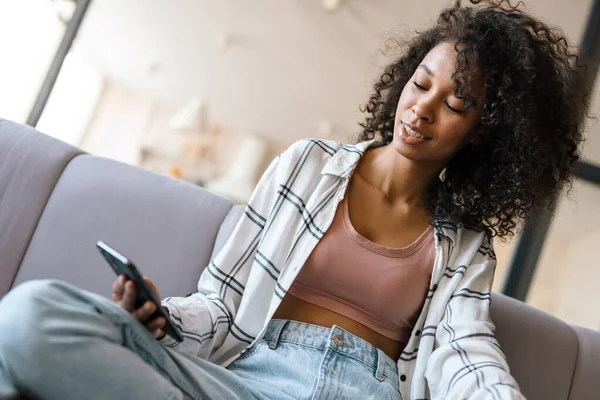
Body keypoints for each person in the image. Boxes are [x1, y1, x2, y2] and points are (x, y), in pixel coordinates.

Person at [0, 0, 588, 399]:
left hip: (367, 389)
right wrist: (163, 319)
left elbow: (465, 352)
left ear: (485, 132)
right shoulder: (308, 164)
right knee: (33, 316)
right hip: (243, 380)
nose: (423, 109)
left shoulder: (465, 246)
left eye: (456, 105)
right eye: (420, 84)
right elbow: (222, 306)